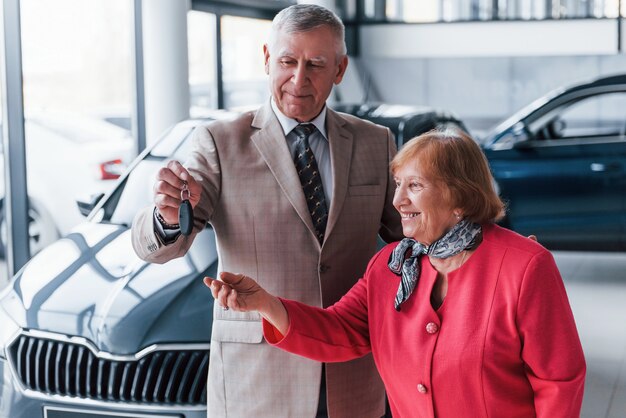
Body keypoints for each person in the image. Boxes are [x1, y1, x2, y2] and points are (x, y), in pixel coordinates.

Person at [131, 4, 402, 418]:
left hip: (353, 372)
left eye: (315, 64)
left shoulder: (375, 142)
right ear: (266, 59)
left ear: (340, 69)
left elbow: (414, 233)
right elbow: (162, 245)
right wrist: (168, 216)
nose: (298, 79)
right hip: (258, 380)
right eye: (287, 61)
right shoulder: (219, 142)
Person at [206, 128, 587, 418]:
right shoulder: (390, 267)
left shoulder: (524, 265)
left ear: (459, 196)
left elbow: (559, 380)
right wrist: (265, 304)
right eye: (398, 184)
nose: (397, 200)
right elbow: (338, 332)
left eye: (415, 186)